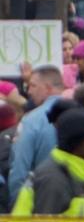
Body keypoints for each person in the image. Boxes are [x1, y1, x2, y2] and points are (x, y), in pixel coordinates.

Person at [9, 66, 65, 205]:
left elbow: (19, 168)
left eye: (33, 85)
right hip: (79, 208)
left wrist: (17, 205)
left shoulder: (32, 121)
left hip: (41, 203)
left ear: (47, 88)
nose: (29, 91)